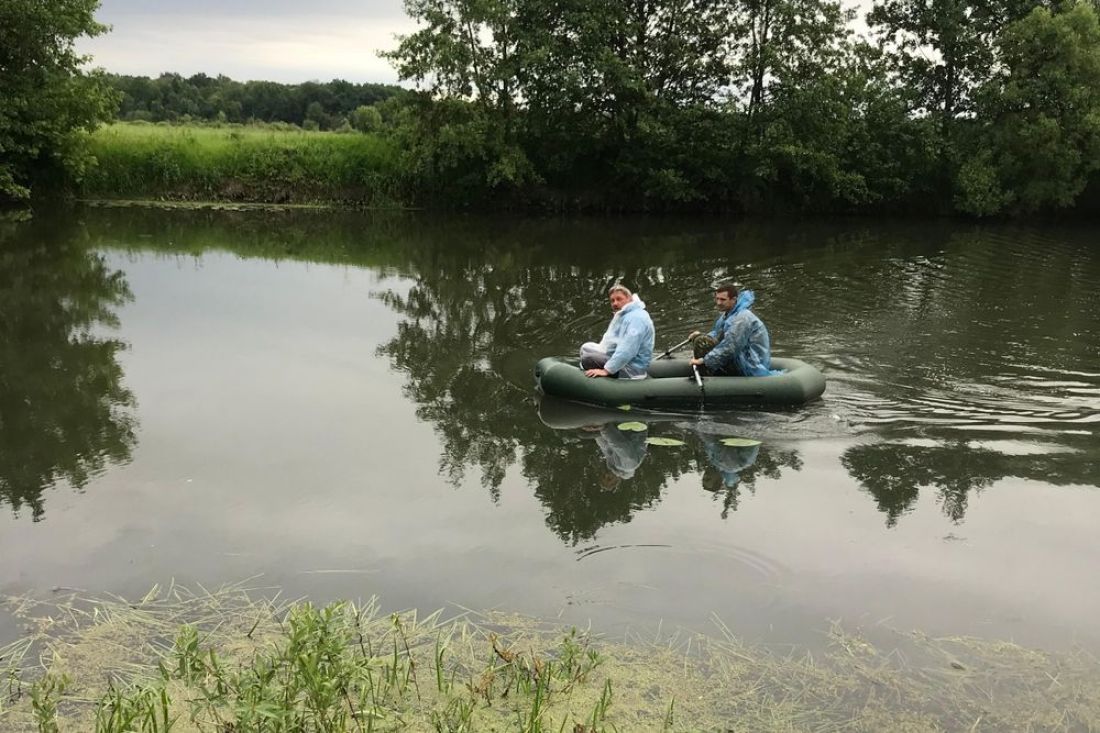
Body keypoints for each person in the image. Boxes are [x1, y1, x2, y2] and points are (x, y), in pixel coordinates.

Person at [687, 284, 777, 377]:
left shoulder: (742, 318)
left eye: (723, 299)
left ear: (733, 299)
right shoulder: (727, 315)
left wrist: (705, 361)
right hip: (739, 357)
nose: (718, 303)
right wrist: (699, 335)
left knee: (701, 341)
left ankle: (706, 377)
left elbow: (730, 347)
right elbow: (717, 335)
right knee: (699, 338)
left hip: (749, 365)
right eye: (717, 299)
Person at [579, 285, 655, 379]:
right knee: (586, 348)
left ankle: (595, 379)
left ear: (629, 299)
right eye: (612, 300)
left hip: (630, 368)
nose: (615, 303)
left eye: (619, 299)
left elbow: (627, 349)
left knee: (587, 359)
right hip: (619, 358)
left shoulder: (637, 319)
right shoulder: (627, 315)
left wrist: (606, 370)